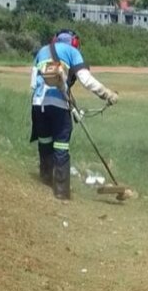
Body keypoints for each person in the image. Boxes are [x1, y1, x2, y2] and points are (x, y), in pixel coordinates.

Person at [30, 29, 118, 200]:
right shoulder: (72, 52)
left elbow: (33, 84)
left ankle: (45, 181)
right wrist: (107, 94)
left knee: (45, 142)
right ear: (74, 42)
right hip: (58, 106)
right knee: (61, 146)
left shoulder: (42, 51)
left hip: (38, 105)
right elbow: (86, 80)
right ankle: (61, 192)